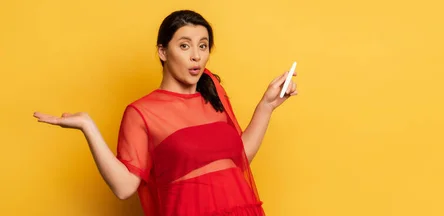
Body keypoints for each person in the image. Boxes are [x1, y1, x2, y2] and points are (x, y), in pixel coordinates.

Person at [33, 9, 297, 216]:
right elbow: (125, 188)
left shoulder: (213, 92)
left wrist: (266, 106)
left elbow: (237, 159)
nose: (196, 56)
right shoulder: (142, 112)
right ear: (162, 51)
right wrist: (88, 126)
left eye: (203, 46)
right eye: (184, 46)